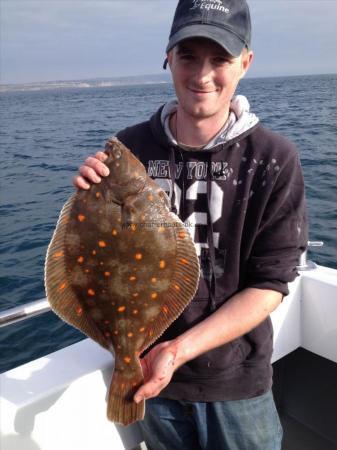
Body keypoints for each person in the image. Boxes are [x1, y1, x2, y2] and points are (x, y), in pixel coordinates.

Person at [73, 1, 307, 448]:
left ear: (245, 63)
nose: (202, 75)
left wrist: (177, 351)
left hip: (237, 380)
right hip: (148, 376)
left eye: (219, 58)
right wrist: (87, 197)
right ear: (168, 57)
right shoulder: (127, 147)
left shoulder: (274, 159)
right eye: (188, 56)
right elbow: (91, 257)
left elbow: (271, 283)